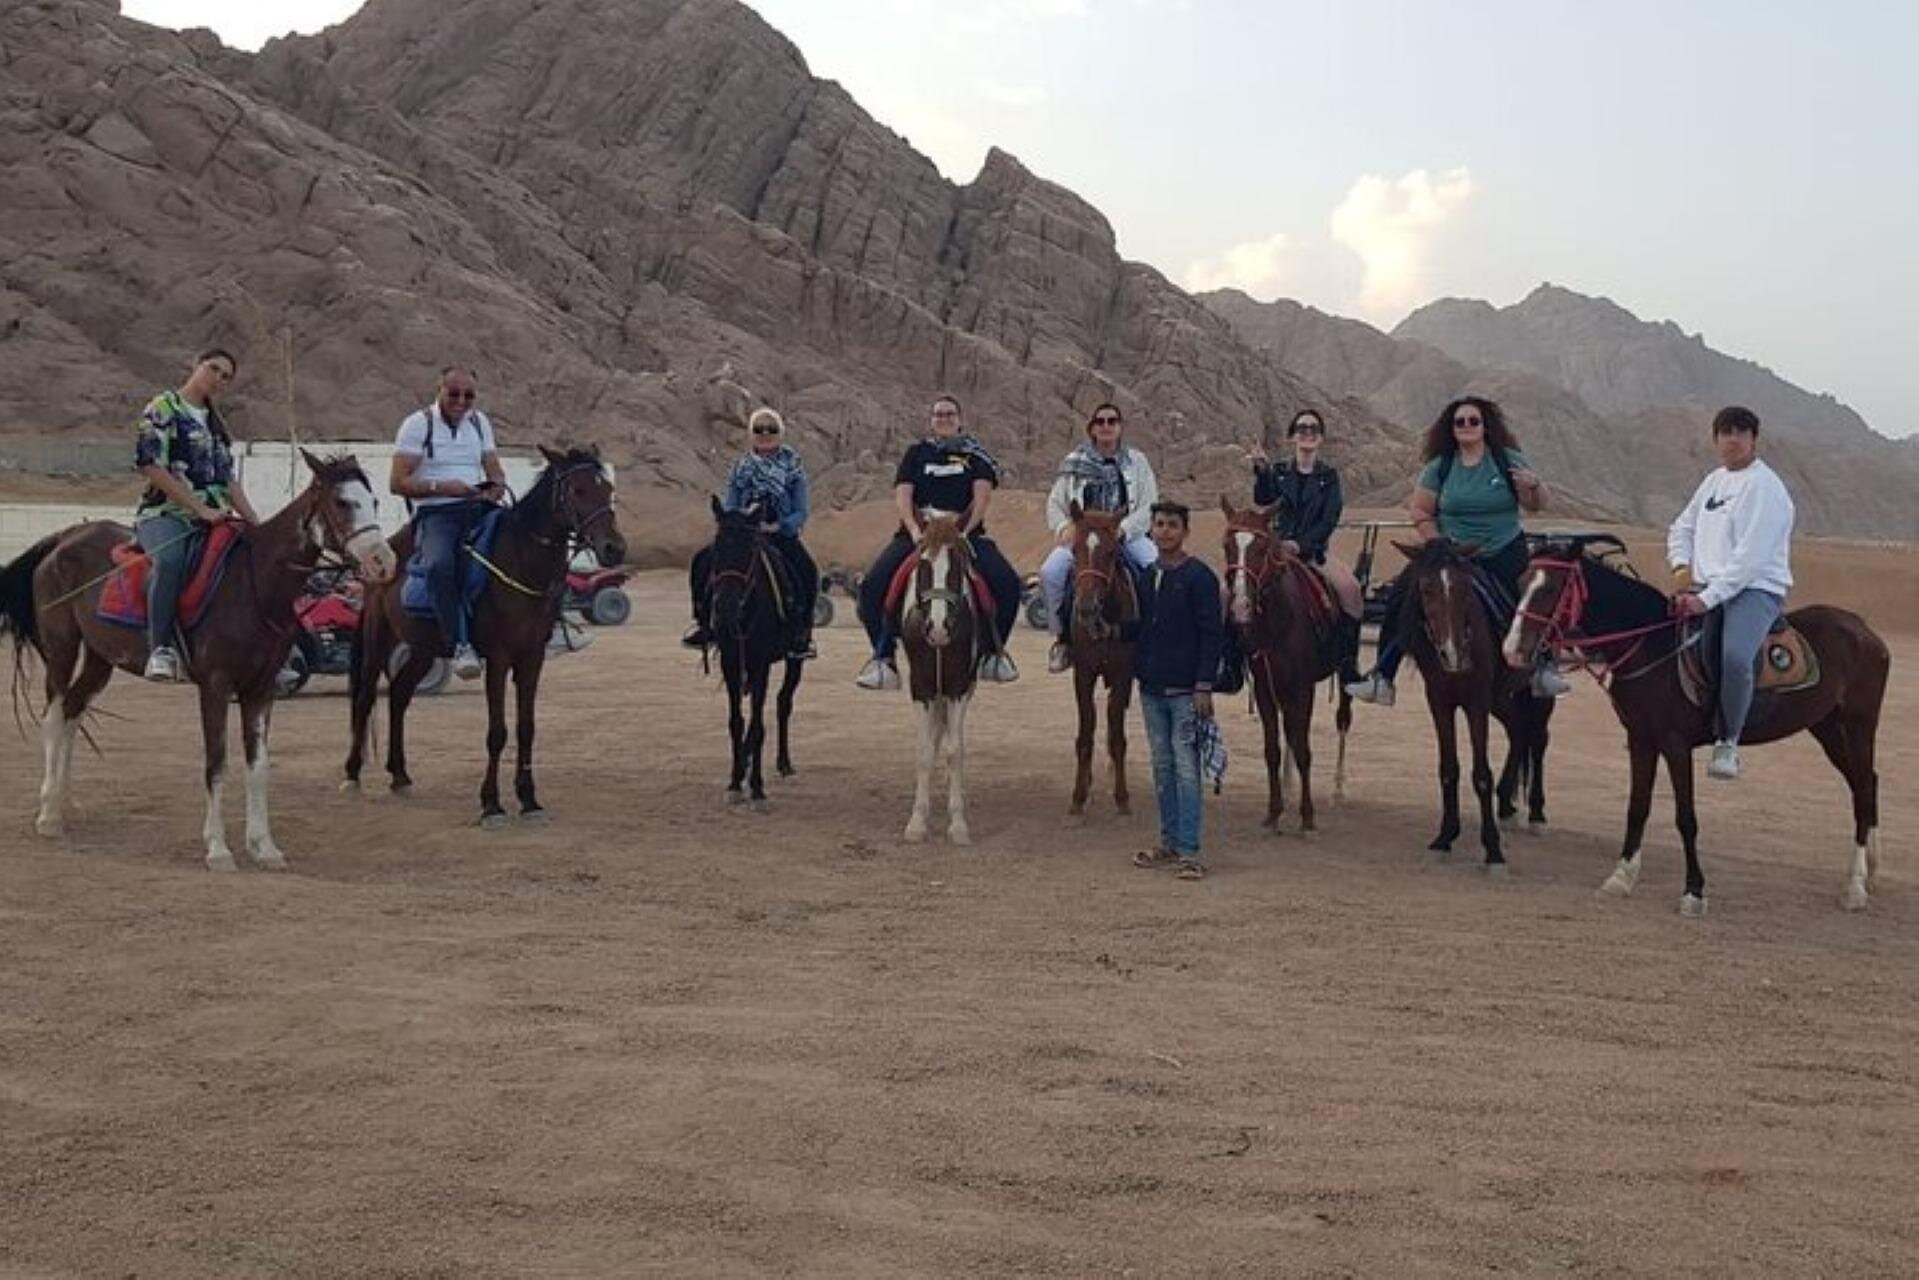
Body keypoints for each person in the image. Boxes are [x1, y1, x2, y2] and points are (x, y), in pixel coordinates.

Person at [1345, 395, 1567, 705]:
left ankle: (1543, 666)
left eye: (1473, 421)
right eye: (1459, 422)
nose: (1466, 426)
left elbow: (1536, 505)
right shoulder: (1440, 467)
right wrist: (1437, 543)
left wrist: (1534, 485)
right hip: (1453, 552)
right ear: (1450, 428)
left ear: (1486, 425)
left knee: (1532, 594)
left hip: (1503, 547)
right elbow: (1420, 511)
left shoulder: (1507, 459)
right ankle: (1383, 675)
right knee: (1402, 596)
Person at [854, 395, 1022, 690]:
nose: (944, 419)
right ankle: (884, 658)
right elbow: (903, 495)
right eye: (938, 414)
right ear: (931, 420)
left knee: (1008, 583)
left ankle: (993, 654)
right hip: (919, 534)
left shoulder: (977, 456)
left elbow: (981, 498)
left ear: (960, 420)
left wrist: (963, 530)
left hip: (965, 532)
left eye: (949, 414)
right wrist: (914, 528)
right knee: (872, 586)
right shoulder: (916, 453)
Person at [1667, 405, 1795, 781]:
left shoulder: (1765, 487)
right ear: (1716, 439)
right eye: (1725, 433)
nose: (1732, 440)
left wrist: (1706, 599)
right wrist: (1681, 568)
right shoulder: (1714, 481)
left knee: (1736, 657)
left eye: (1741, 432)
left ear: (1754, 439)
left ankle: (1728, 742)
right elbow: (1682, 528)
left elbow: (1750, 558)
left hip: (1754, 589)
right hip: (1708, 586)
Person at [132, 347, 264, 682]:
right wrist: (199, 509)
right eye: (213, 369)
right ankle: (160, 649)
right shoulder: (163, 407)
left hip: (216, 515)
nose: (218, 378)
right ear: (196, 365)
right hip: (165, 513)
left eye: (226, 377)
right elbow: (151, 465)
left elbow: (228, 480)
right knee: (171, 561)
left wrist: (255, 523)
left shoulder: (216, 424)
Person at [389, 366, 507, 680]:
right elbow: (397, 482)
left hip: (478, 506)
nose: (461, 401)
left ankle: (543, 625)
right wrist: (443, 487)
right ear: (439, 389)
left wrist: (496, 484)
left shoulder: (479, 423)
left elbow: (493, 466)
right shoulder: (418, 425)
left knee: (526, 543)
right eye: (454, 393)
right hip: (437, 513)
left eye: (469, 395)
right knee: (440, 565)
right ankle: (459, 644)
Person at [1128, 501, 1223, 881]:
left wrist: (1204, 684)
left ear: (1185, 531)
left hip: (1185, 691)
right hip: (1151, 689)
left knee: (1186, 770)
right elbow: (1139, 628)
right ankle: (1168, 842)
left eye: (1172, 525)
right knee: (1163, 768)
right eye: (1159, 524)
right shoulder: (1146, 576)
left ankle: (1190, 851)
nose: (1164, 531)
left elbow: (1212, 634)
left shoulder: (1200, 577)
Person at [683, 406, 819, 659]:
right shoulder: (741, 468)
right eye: (759, 429)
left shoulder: (793, 468)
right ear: (751, 433)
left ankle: (802, 633)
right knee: (701, 560)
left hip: (780, 534)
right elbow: (732, 503)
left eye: (771, 429)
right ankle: (703, 622)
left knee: (808, 571)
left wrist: (780, 526)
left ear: (780, 433)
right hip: (744, 534)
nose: (765, 434)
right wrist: (738, 522)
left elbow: (801, 510)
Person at [1245, 407, 1364, 686]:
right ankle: (1230, 662)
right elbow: (1263, 499)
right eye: (1302, 428)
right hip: (1275, 554)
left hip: (1313, 554)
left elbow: (1329, 519)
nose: (1307, 433)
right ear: (1292, 437)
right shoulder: (1278, 472)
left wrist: (1300, 545)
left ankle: (1347, 663)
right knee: (1232, 590)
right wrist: (1262, 471)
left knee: (1351, 590)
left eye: (1313, 429)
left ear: (1321, 437)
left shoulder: (1329, 476)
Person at [1040, 403, 1159, 672]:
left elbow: (1149, 503)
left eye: (1112, 421)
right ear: (1092, 428)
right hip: (1084, 538)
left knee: (1156, 572)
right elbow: (1056, 502)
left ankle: (1153, 638)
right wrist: (1064, 527)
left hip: (1126, 534)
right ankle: (1062, 639)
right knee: (1050, 573)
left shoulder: (1137, 462)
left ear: (1120, 427)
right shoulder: (1074, 462)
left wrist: (1124, 529)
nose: (1106, 426)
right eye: (1100, 421)